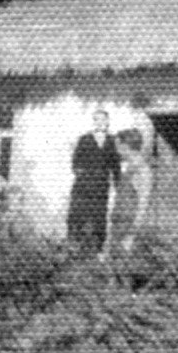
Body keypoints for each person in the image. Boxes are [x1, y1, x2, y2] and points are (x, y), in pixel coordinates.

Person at [67, 109, 120, 256]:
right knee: (77, 215)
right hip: (83, 187)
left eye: (102, 119)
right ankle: (74, 249)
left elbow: (116, 165)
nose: (99, 122)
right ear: (93, 122)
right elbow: (75, 163)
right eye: (96, 119)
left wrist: (118, 184)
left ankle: (98, 250)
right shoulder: (85, 139)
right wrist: (85, 175)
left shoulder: (112, 141)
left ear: (108, 121)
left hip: (101, 187)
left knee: (99, 216)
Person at [110, 125, 153, 255]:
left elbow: (143, 204)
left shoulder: (142, 171)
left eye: (117, 146)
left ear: (126, 147)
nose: (116, 150)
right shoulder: (128, 168)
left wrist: (131, 235)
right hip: (118, 223)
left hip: (129, 227)